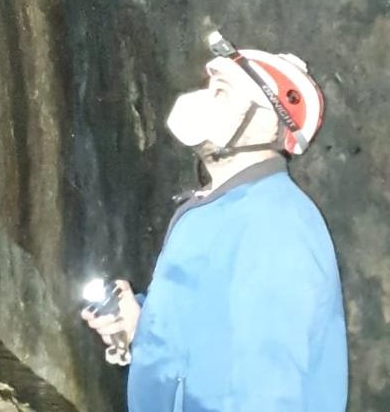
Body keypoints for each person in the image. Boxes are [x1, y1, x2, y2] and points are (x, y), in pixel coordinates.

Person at [81, 31, 346, 411]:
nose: (203, 100)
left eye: (222, 92)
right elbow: (200, 343)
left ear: (270, 125)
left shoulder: (276, 230)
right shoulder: (219, 209)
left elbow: (268, 397)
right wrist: (138, 324)